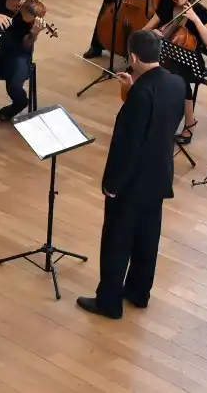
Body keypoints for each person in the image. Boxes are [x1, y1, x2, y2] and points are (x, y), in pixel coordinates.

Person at [76, 30, 186, 320]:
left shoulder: (141, 93)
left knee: (117, 240)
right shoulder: (177, 83)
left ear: (134, 58)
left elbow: (127, 144)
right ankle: (138, 292)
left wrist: (112, 184)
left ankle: (109, 302)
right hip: (159, 174)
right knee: (147, 237)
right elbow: (156, 120)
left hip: (132, 181)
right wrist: (132, 88)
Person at [142, 0, 207, 144]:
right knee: (156, 72)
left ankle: (190, 123)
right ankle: (154, 116)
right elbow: (145, 30)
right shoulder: (167, 6)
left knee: (177, 77)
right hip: (166, 54)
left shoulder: (201, 12)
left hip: (190, 59)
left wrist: (195, 19)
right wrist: (153, 33)